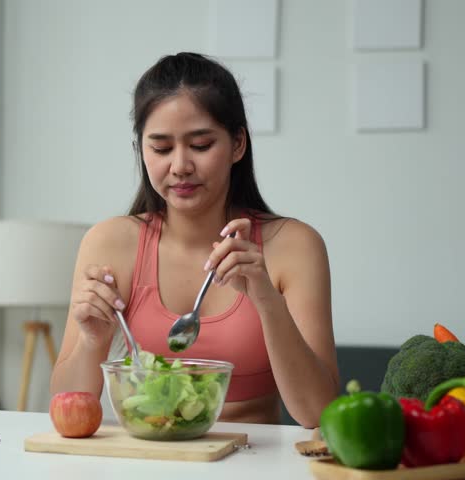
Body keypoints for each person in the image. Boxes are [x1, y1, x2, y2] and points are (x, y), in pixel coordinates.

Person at [50, 52, 338, 427]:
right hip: (147, 458)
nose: (180, 166)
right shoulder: (109, 242)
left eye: (201, 145)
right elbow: (65, 409)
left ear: (237, 144)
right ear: (141, 149)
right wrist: (92, 341)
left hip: (253, 462)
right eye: (161, 148)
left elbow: (318, 414)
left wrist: (267, 299)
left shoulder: (294, 245)